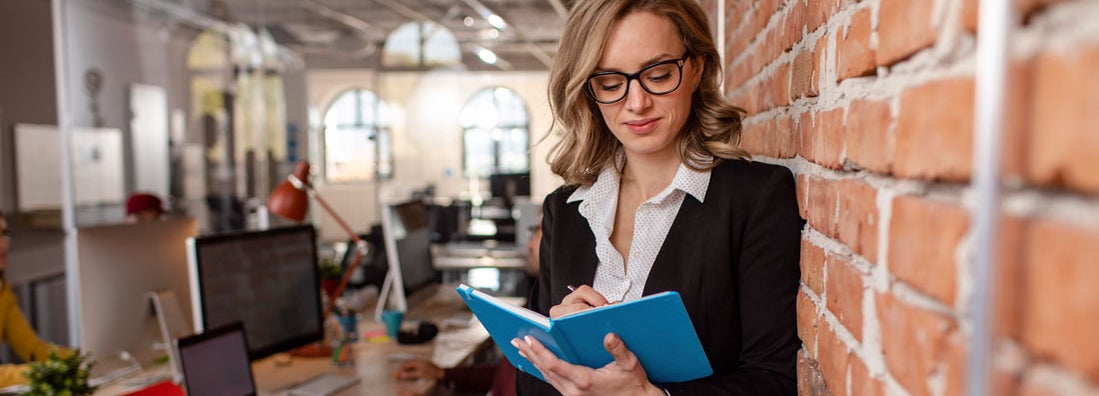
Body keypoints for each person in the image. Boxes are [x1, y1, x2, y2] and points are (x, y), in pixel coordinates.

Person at [513, 1, 803, 395]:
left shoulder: (756, 199)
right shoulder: (565, 210)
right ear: (588, 89)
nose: (636, 103)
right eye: (611, 83)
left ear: (697, 67)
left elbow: (775, 380)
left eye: (659, 74)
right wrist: (556, 352)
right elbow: (527, 383)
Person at [395, 222, 544, 396]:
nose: (529, 245)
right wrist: (443, 373)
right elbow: (503, 377)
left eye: (536, 232)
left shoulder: (547, 318)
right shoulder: (537, 305)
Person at [0, 210, 71, 387]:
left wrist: (78, 359)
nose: (4, 245)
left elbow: (31, 348)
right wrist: (46, 371)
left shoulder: (2, 288)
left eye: (4, 235)